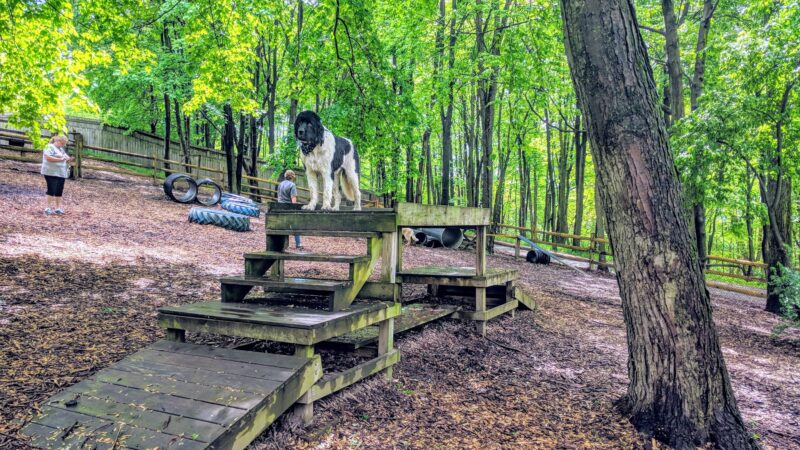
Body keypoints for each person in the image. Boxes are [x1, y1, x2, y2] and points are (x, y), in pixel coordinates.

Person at [41, 135, 73, 216]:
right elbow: (47, 157)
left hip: (61, 173)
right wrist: (61, 159)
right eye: (62, 143)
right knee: (51, 189)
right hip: (51, 172)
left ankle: (58, 208)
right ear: (58, 141)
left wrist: (68, 159)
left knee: (59, 190)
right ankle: (48, 208)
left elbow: (66, 158)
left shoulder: (61, 149)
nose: (63, 145)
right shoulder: (49, 147)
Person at [277, 169, 303, 249]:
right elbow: (293, 200)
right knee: (296, 225)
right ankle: (298, 244)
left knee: (283, 225)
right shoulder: (292, 185)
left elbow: (279, 197)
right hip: (288, 209)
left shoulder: (280, 184)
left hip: (280, 208)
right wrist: (295, 210)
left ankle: (282, 243)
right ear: (292, 177)